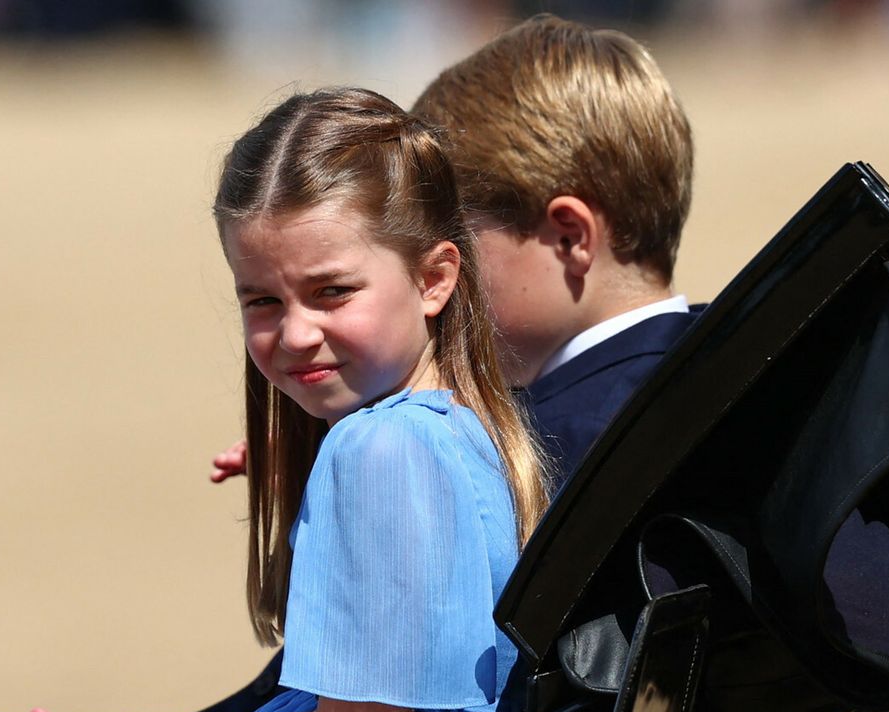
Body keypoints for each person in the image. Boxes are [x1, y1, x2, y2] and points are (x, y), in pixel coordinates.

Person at [0, 87, 551, 712]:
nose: (295, 332)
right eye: (261, 299)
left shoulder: (379, 451)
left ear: (435, 279)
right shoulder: (470, 427)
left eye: (332, 291)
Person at [213, 14, 698, 486]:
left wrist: (378, 470)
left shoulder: (572, 454)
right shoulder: (730, 369)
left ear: (569, 237)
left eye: (456, 236)